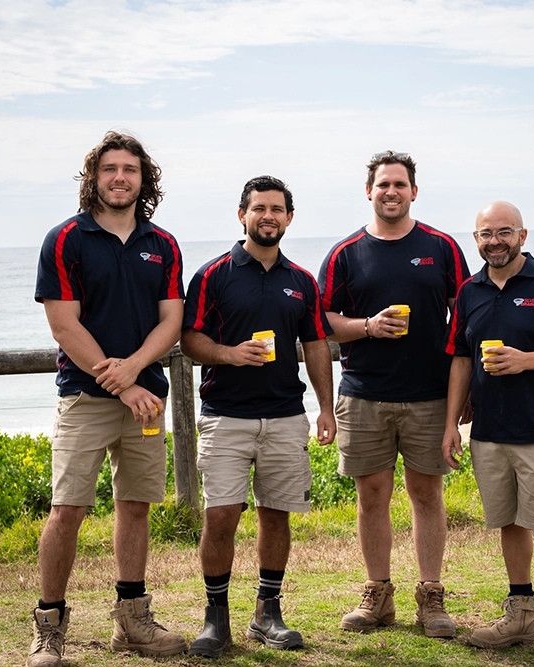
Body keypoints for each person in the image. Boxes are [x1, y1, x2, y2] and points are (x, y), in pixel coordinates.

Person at [30, 131, 188, 666]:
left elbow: (172, 321)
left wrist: (138, 370)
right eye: (110, 169)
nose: (120, 178)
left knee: (135, 507)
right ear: (93, 177)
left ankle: (132, 623)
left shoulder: (162, 244)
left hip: (147, 398)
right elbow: (63, 325)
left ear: (145, 180)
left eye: (131, 170)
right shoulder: (65, 239)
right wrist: (122, 383)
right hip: (84, 395)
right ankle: (49, 626)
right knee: (68, 508)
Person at [180, 175, 336, 657]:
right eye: (258, 208)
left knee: (276, 515)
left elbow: (315, 345)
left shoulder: (302, 282)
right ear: (242, 215)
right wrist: (229, 355)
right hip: (226, 416)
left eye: (277, 209)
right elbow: (190, 342)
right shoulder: (213, 275)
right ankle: (215, 619)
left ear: (289, 218)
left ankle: (268, 614)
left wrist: (326, 407)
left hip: (287, 415)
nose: (267, 216)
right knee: (221, 515)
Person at [318, 150, 469, 638]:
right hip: (364, 395)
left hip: (429, 395)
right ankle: (377, 594)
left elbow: (465, 320)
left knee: (427, 493)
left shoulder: (442, 247)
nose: (390, 192)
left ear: (413, 192)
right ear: (369, 191)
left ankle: (431, 597)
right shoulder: (345, 253)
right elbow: (323, 324)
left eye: (399, 184)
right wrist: (367, 326)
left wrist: (466, 393)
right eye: (383, 184)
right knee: (372, 497)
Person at [442, 201, 534, 667]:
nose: (496, 241)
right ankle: (521, 615)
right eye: (486, 234)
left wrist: (526, 359)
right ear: (476, 240)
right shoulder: (469, 291)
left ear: (523, 236)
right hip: (489, 431)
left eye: (504, 232)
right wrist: (450, 422)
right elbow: (462, 358)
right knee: (508, 523)